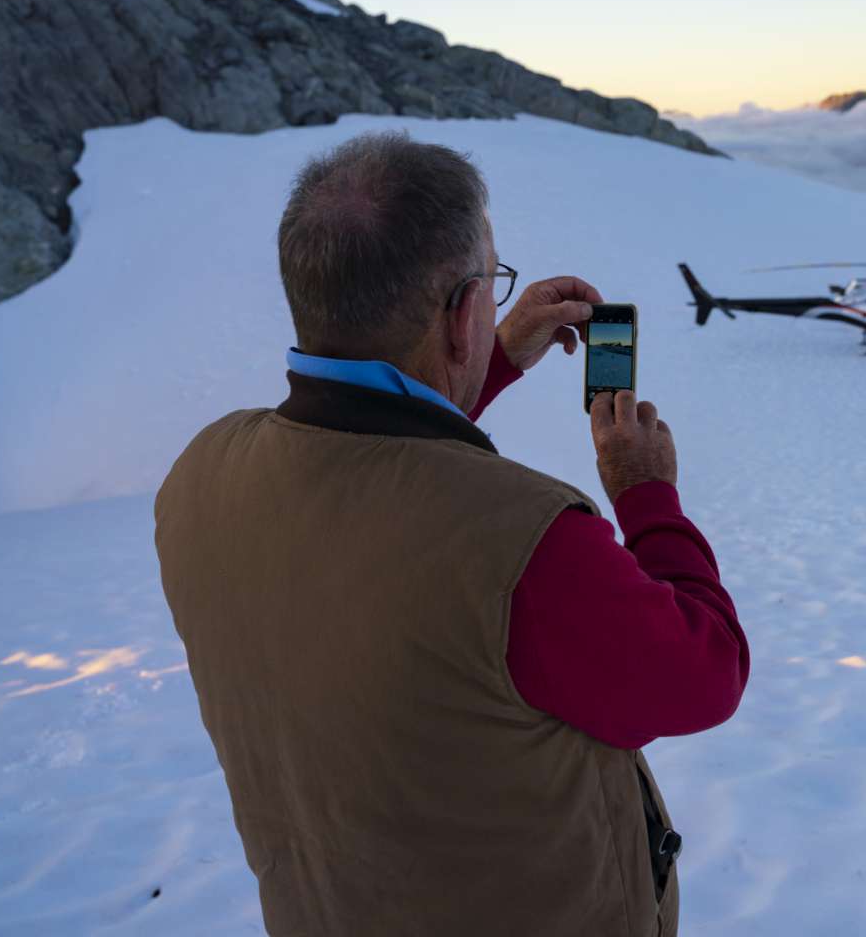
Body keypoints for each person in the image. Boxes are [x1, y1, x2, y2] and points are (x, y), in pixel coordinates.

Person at [154, 132, 750, 936]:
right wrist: (646, 496)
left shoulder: (202, 472)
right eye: (491, 286)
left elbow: (365, 476)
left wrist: (485, 363)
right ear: (463, 313)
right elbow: (703, 674)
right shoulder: (526, 543)